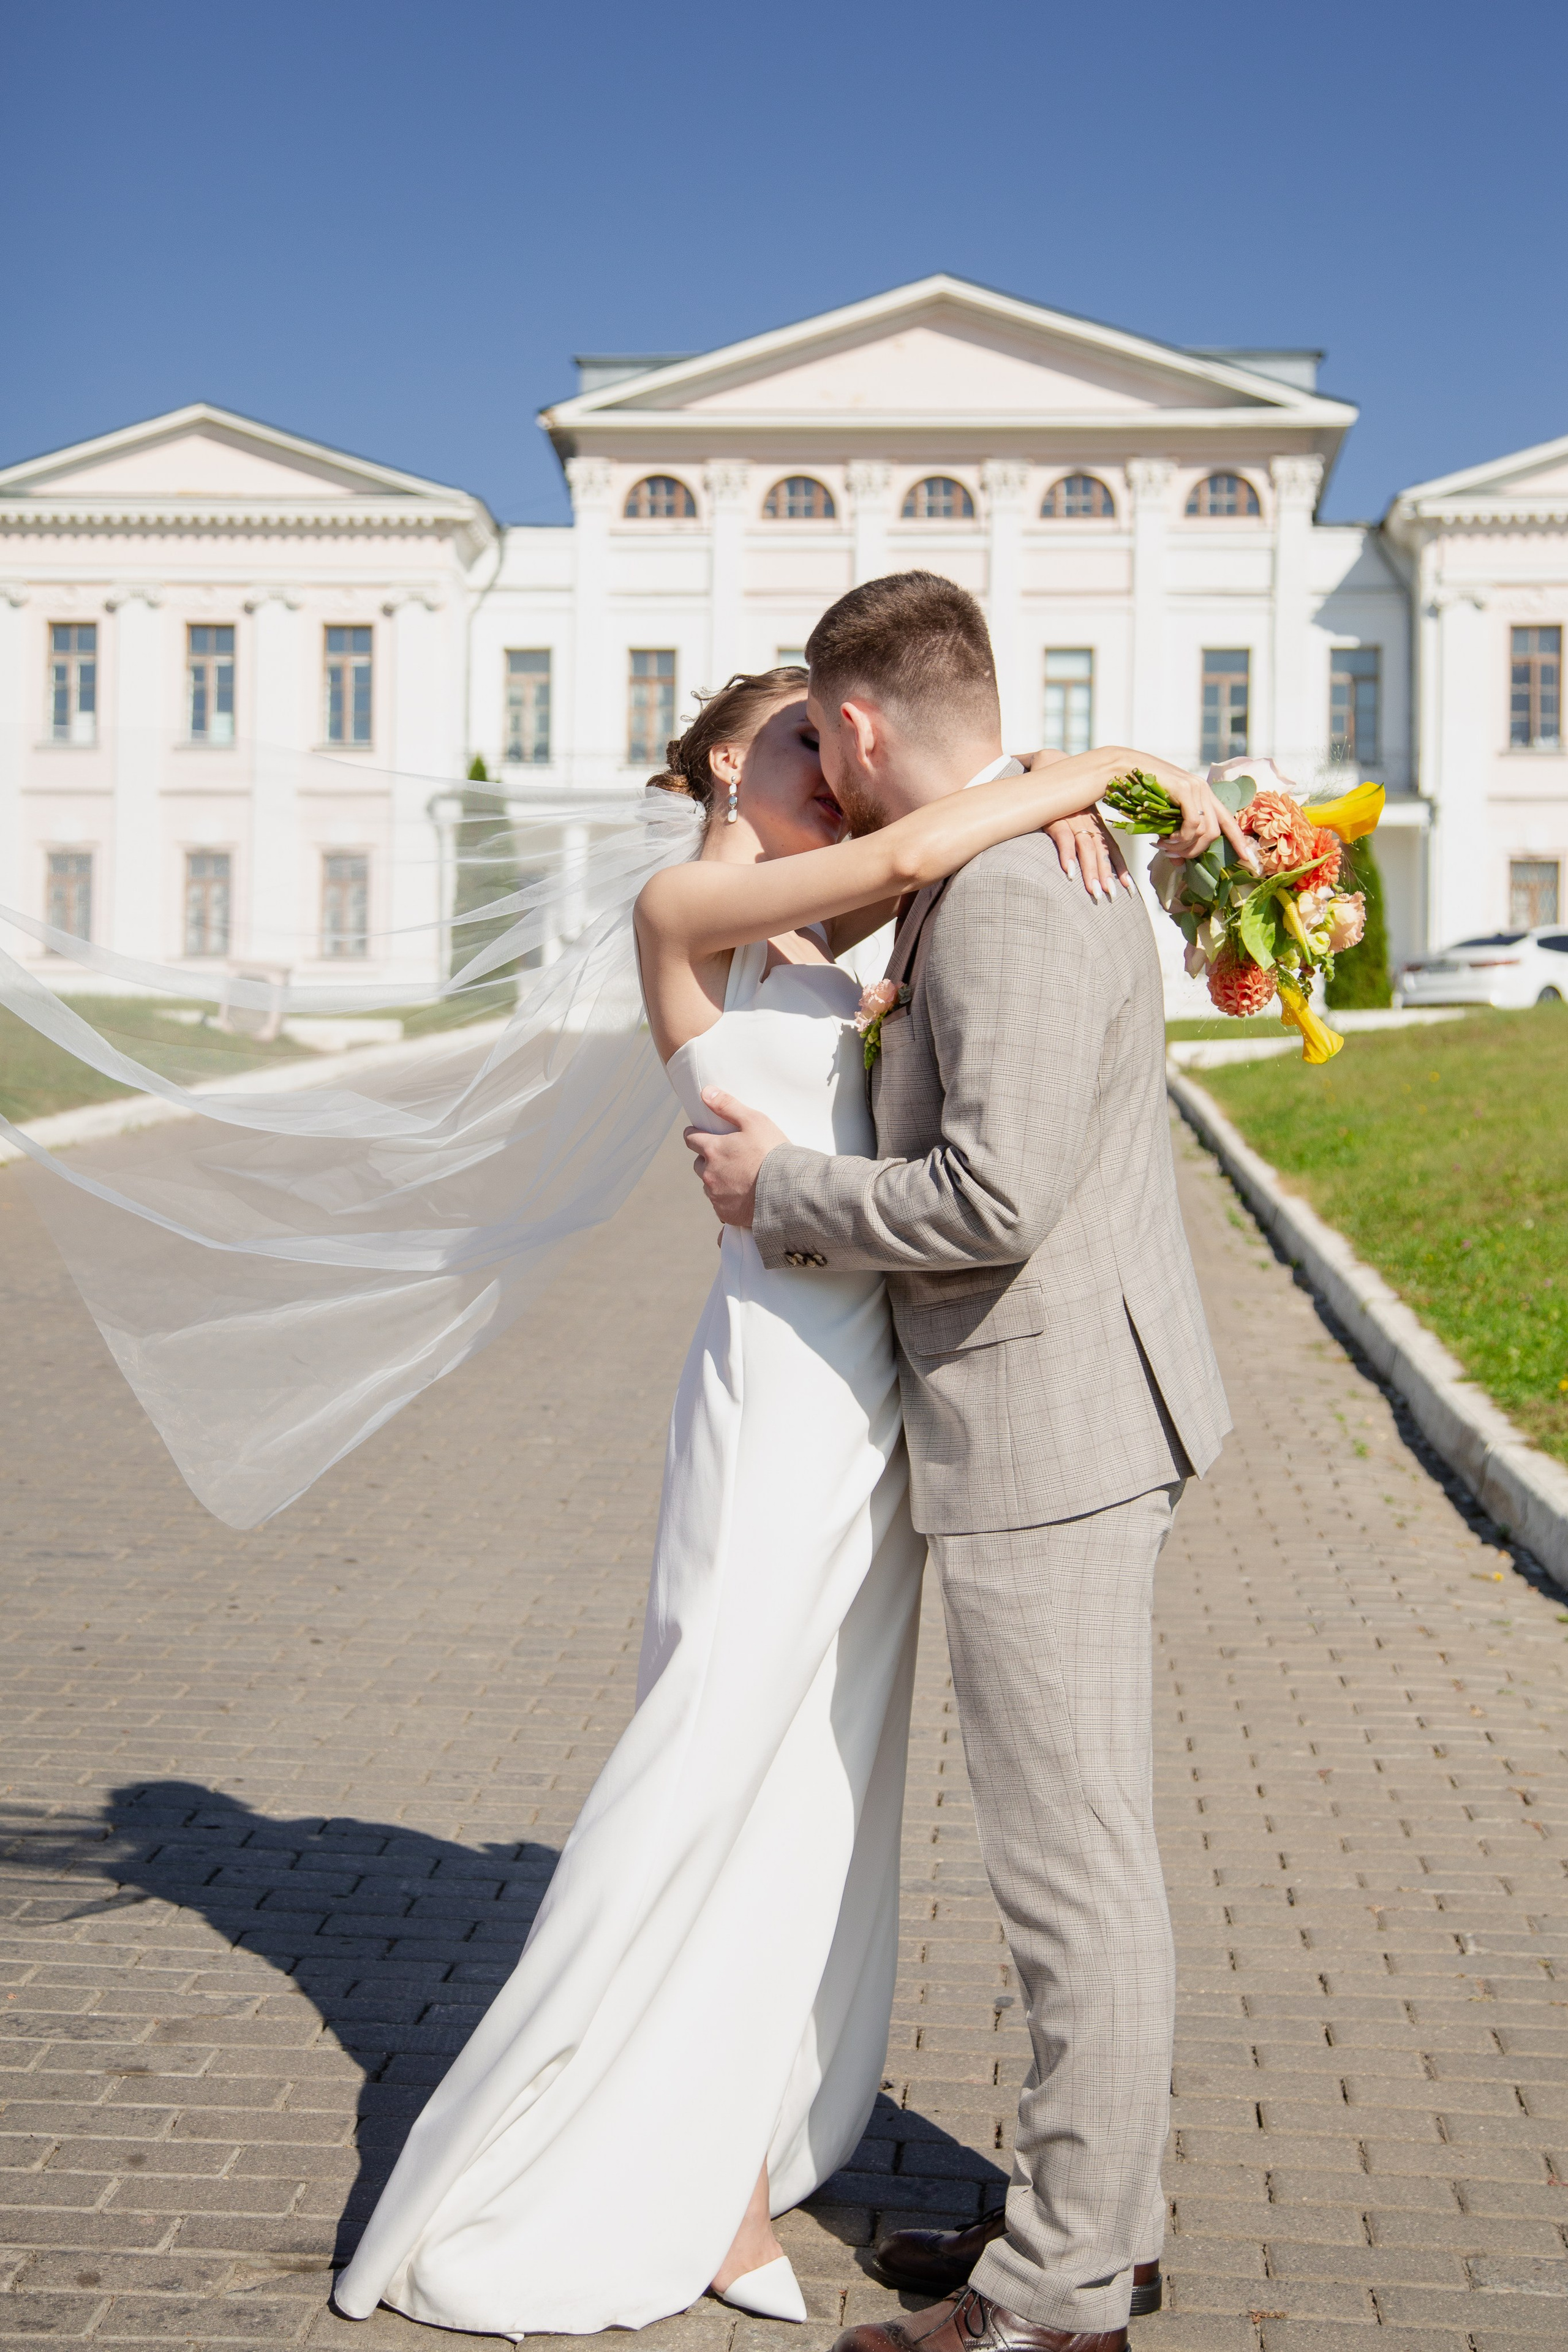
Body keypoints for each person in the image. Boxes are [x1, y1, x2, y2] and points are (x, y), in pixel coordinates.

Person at [333, 654, 1235, 2340]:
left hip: (887, 1412)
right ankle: (675, 2168)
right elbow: (920, 846)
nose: (827, 764)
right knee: (713, 1767)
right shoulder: (686, 906)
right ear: (722, 769)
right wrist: (1092, 768)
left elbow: (959, 899)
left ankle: (786, 2151)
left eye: (834, 736)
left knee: (818, 1795)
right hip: (777, 1398)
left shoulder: (840, 936)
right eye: (796, 742)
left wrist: (1103, 808)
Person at [688, 575, 1237, 2352]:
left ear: (855, 726)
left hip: (1051, 1423)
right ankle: (1097, 2228)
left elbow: (991, 1197)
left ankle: (1064, 2294)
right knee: (1078, 1856)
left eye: (821, 740)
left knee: (1072, 1871)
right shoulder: (1012, 853)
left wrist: (775, 1189)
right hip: (1061, 1406)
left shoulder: (1006, 889)